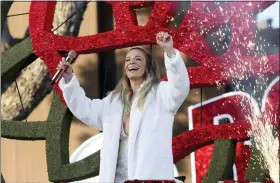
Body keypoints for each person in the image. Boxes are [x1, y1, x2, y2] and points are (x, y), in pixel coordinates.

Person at [57, 32, 190, 183]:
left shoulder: (162, 94)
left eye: (138, 59)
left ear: (148, 67)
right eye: (128, 60)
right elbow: (84, 109)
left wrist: (170, 52)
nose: (131, 62)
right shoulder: (113, 103)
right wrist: (69, 80)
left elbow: (180, 86)